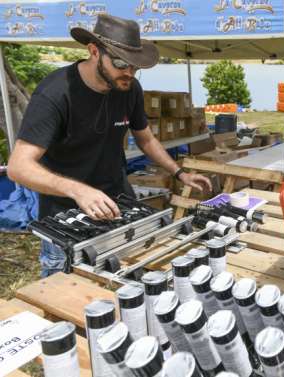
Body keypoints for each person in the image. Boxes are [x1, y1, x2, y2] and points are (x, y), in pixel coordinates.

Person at [7, 14, 211, 277]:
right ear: (94, 51)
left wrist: (180, 173)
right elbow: (18, 167)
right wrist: (78, 191)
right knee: (64, 297)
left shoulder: (129, 88)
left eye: (134, 67)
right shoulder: (56, 93)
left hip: (118, 206)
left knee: (126, 283)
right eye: (120, 64)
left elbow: (146, 138)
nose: (128, 72)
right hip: (66, 218)